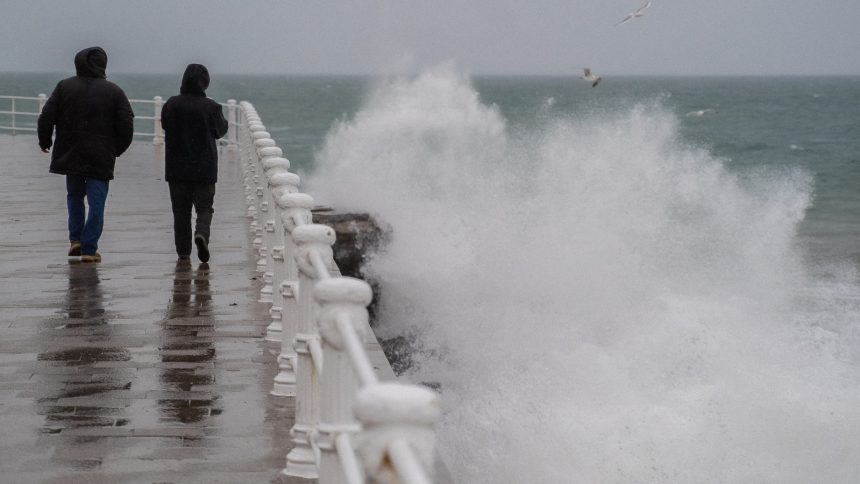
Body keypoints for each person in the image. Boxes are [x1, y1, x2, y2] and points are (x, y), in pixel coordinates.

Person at [38, 46, 135, 263]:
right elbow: (126, 125)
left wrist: (45, 140)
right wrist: (115, 149)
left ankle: (76, 240)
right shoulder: (115, 92)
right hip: (100, 156)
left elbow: (47, 116)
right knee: (96, 201)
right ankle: (90, 249)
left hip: (71, 153)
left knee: (74, 196)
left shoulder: (64, 87)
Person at [160, 64, 228, 263]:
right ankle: (202, 234)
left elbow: (165, 125)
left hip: (176, 168)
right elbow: (220, 131)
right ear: (204, 83)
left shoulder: (171, 104)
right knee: (205, 208)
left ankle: (183, 252)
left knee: (180, 211)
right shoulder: (211, 107)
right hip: (204, 167)